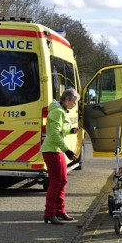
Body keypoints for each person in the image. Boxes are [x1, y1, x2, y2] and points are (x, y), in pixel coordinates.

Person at [41, 88, 81, 225]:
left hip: (55, 150)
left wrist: (70, 130)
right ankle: (50, 213)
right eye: (75, 102)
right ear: (67, 99)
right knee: (57, 182)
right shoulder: (58, 112)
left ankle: (59, 211)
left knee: (62, 181)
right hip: (52, 150)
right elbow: (54, 135)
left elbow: (59, 131)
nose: (75, 104)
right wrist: (67, 151)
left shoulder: (61, 110)